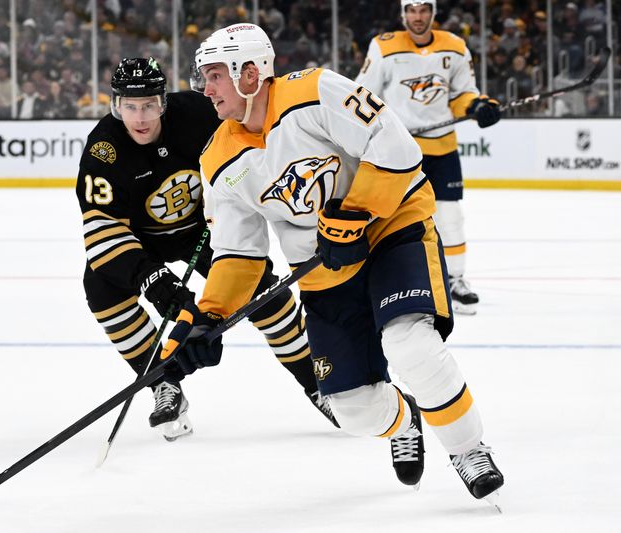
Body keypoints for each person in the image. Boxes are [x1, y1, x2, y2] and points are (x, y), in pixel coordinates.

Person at [165, 23, 504, 503]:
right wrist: (207, 317)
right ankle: (406, 419)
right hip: (323, 268)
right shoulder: (218, 157)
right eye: (206, 76)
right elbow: (239, 252)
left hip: (390, 229)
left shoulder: (316, 90)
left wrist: (355, 212)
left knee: (411, 345)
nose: (207, 88)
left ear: (249, 72)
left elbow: (395, 146)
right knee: (351, 408)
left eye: (215, 74)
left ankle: (468, 449)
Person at [76, 57, 337, 441]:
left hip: (204, 227)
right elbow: (103, 229)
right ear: (115, 105)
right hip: (141, 241)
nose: (140, 117)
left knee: (261, 290)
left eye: (149, 104)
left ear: (163, 101)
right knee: (101, 290)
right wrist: (152, 279)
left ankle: (316, 382)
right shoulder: (104, 151)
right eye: (129, 107)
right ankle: (163, 383)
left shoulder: (198, 114)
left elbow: (248, 144)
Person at [355, 0, 502, 315]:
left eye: (424, 10)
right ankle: (380, 280)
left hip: (442, 148)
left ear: (433, 13)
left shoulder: (455, 46)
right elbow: (363, 95)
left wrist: (477, 108)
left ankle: (455, 280)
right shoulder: (384, 47)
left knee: (450, 217)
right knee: (386, 217)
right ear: (403, 13)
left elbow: (464, 93)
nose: (417, 17)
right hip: (400, 152)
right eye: (412, 10)